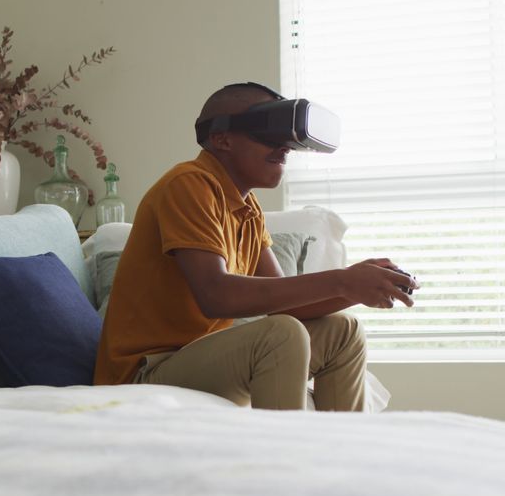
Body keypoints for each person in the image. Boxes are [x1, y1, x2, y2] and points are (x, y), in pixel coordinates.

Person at [93, 82, 417, 410]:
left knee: (343, 331)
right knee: (281, 334)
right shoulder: (189, 184)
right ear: (222, 139)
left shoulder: (248, 209)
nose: (284, 149)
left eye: (286, 139)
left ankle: (336, 454)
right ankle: (282, 459)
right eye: (268, 135)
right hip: (145, 372)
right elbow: (216, 295)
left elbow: (283, 301)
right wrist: (341, 280)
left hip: (199, 360)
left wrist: (356, 287)